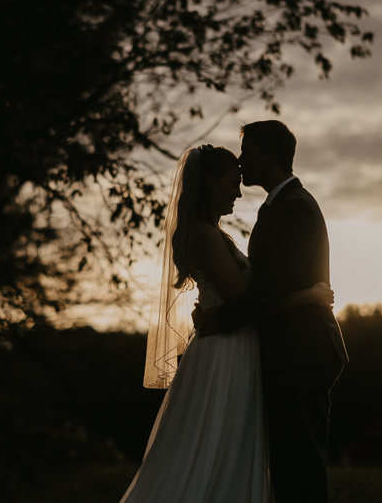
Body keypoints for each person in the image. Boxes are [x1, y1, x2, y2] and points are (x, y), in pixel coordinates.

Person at [120, 144, 335, 503]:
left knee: (227, 446)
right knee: (218, 444)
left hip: (235, 344)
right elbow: (244, 298)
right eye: (231, 183)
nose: (238, 191)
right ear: (210, 184)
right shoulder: (204, 234)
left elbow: (242, 299)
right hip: (225, 351)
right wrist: (308, 296)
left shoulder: (210, 234)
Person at [194, 120, 349, 503]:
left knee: (299, 469)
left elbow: (272, 286)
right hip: (287, 354)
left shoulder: (295, 207)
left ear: (270, 156)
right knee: (287, 467)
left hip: (301, 353)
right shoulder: (279, 205)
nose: (242, 162)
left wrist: (220, 320)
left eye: (247, 152)